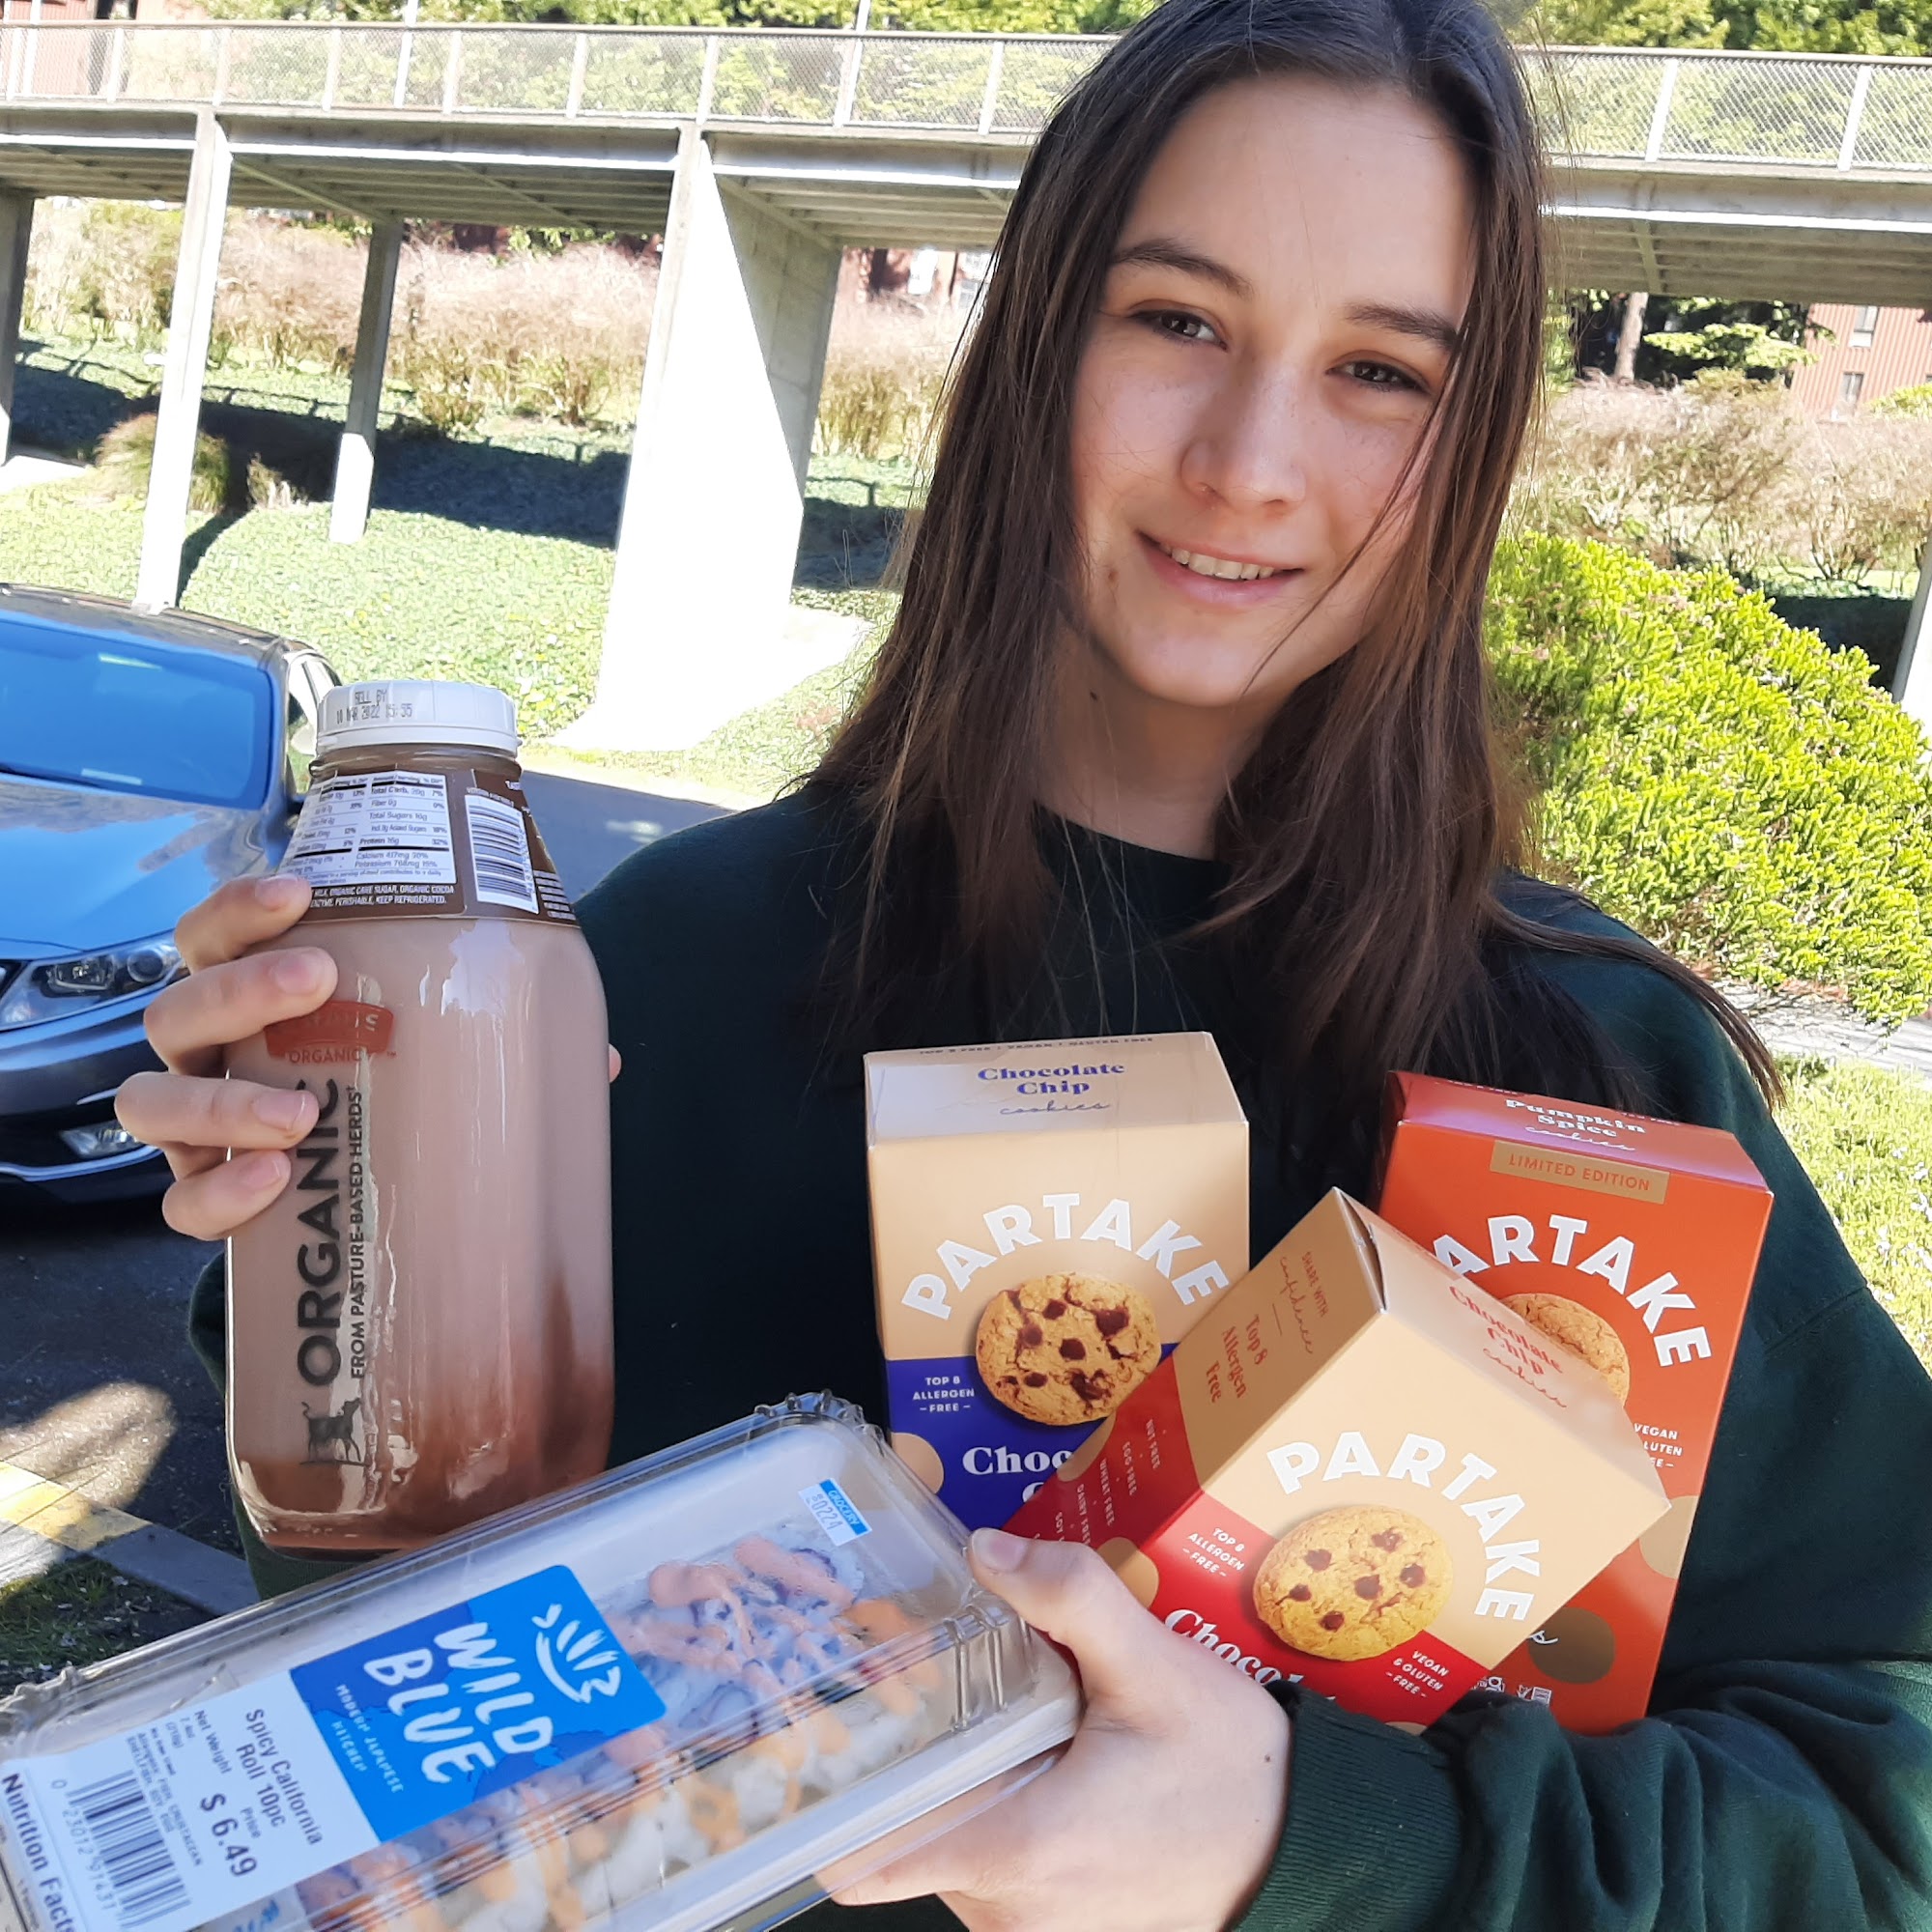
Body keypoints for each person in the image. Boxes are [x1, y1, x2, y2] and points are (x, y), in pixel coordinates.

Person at [117, 0, 1932, 1923]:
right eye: (1176, 320)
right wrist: (319, 1266)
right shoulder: (650, 976)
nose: (1248, 462)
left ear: (1472, 446)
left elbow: (1881, 1811)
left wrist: (1312, 1845)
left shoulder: (1596, 1081)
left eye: (1379, 370)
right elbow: (389, 1711)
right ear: (1035, 343)